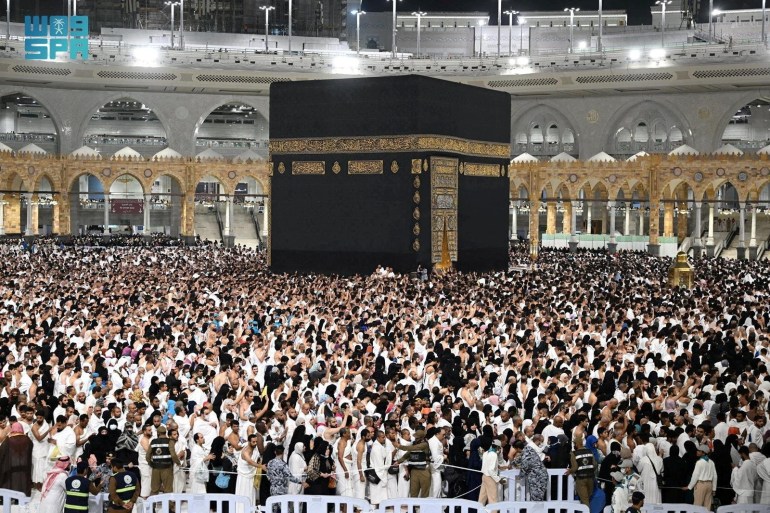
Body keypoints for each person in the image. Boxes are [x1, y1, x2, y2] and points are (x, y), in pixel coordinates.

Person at [147, 424, 182, 498]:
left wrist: (152, 464)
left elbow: (147, 456)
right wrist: (178, 463)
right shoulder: (170, 441)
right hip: (167, 468)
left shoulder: (153, 441)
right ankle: (169, 508)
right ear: (165, 433)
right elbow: (173, 455)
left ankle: (152, 508)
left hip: (156, 468)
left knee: (154, 489)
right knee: (168, 490)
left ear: (158, 433)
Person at [396, 429, 432, 498]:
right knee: (413, 491)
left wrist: (399, 446)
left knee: (424, 492)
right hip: (414, 470)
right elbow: (408, 454)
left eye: (417, 438)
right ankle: (413, 508)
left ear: (422, 438)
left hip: (424, 470)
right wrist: (398, 461)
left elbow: (413, 448)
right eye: (415, 437)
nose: (415, 439)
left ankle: (424, 507)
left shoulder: (424, 444)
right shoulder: (414, 443)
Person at [0, 422, 33, 496]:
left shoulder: (8, 440)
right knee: (23, 480)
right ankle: (23, 496)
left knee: (13, 480)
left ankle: (13, 497)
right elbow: (30, 449)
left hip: (12, 465)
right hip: (25, 464)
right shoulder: (27, 439)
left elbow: (1, 451)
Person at [684, 444, 718, 510]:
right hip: (709, 485)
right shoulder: (711, 462)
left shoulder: (699, 462)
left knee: (698, 506)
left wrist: (689, 487)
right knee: (707, 507)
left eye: (699, 451)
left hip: (701, 484)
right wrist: (714, 488)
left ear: (703, 453)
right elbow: (715, 476)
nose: (697, 452)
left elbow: (695, 476)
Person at [567, 435, 596, 506]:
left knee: (585, 500)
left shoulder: (574, 454)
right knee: (588, 498)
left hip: (581, 479)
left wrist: (570, 471)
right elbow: (595, 464)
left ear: (576, 444)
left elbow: (575, 467)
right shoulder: (590, 451)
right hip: (591, 478)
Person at [235, 434, 260, 505]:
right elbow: (250, 461)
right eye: (253, 442)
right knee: (244, 494)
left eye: (256, 441)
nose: (255, 443)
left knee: (251, 494)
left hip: (251, 476)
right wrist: (261, 466)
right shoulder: (245, 451)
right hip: (244, 477)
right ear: (249, 441)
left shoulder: (255, 448)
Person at [478, 437, 503, 506]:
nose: (500, 450)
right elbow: (491, 470)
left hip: (484, 477)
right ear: (498, 447)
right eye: (499, 448)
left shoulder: (486, 453)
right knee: (493, 499)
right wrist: (498, 479)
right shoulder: (494, 455)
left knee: (482, 498)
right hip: (490, 478)